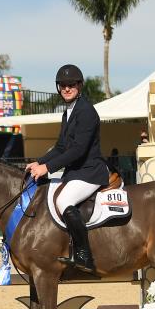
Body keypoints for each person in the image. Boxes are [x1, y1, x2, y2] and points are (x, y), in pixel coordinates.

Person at [25, 64, 109, 274]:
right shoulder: (69, 112)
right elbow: (62, 146)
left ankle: (84, 254)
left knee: (63, 201)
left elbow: (79, 150)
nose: (67, 88)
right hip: (75, 173)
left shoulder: (87, 111)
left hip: (90, 172)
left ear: (79, 86)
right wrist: (39, 162)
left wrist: (48, 167)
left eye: (71, 85)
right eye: (62, 85)